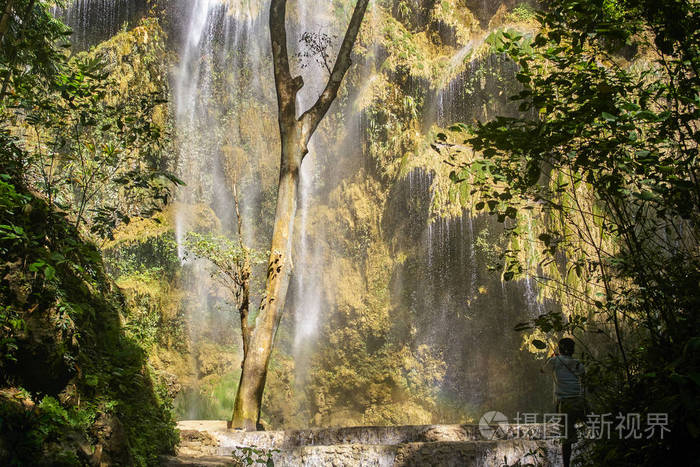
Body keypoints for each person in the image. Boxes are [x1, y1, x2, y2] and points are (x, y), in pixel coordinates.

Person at [542, 337, 585, 467]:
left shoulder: (554, 361)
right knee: (595, 426)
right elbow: (584, 379)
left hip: (565, 403)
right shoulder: (578, 363)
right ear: (573, 350)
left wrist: (552, 356)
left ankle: (566, 465)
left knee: (567, 438)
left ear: (559, 349)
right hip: (579, 401)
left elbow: (542, 370)